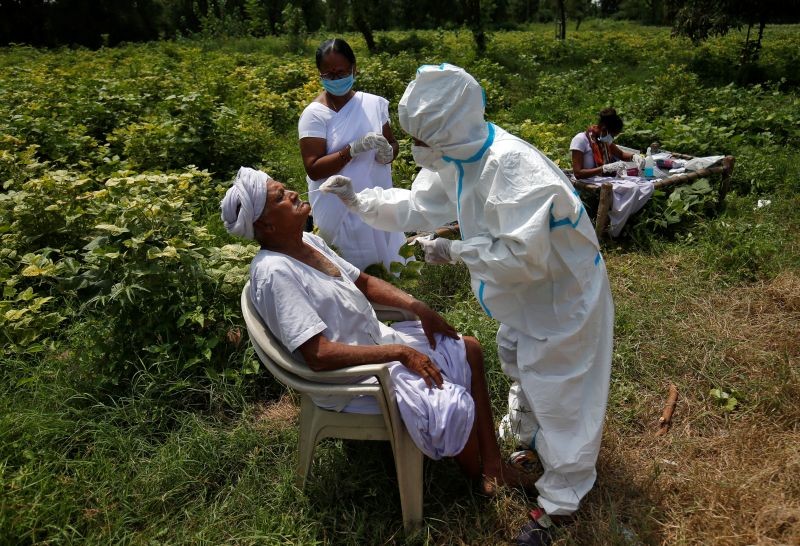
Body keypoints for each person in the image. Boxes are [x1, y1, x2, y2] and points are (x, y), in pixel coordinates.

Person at [319, 64, 614, 545]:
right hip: (523, 297)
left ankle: (562, 501)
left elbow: (523, 257)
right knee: (521, 364)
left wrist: (453, 251)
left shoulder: (510, 168)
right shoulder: (459, 159)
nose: (416, 151)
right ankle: (532, 444)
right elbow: (419, 206)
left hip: (562, 297)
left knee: (562, 390)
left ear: (448, 133)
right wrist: (361, 202)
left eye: (423, 140)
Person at [220, 166, 533, 494]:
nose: (293, 193)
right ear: (266, 224)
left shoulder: (308, 242)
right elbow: (319, 354)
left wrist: (417, 307)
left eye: (286, 189)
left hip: (375, 344)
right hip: (353, 377)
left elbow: (362, 281)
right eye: (281, 197)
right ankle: (476, 482)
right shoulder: (275, 273)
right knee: (449, 404)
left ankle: (494, 466)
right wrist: (399, 352)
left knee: (467, 348)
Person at [298, 38, 406, 271]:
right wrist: (352, 150)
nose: (336, 79)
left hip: (376, 196)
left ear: (354, 69)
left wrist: (388, 153)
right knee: (348, 269)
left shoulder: (373, 104)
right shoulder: (315, 115)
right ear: (320, 75)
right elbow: (314, 168)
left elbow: (392, 143)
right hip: (337, 206)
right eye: (329, 75)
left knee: (386, 264)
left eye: (342, 72)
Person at [570, 107, 642, 179]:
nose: (612, 139)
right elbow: (578, 173)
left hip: (603, 180)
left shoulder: (603, 141)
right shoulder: (580, 140)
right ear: (604, 129)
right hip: (585, 181)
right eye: (612, 135)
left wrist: (634, 157)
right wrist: (604, 168)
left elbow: (621, 154)